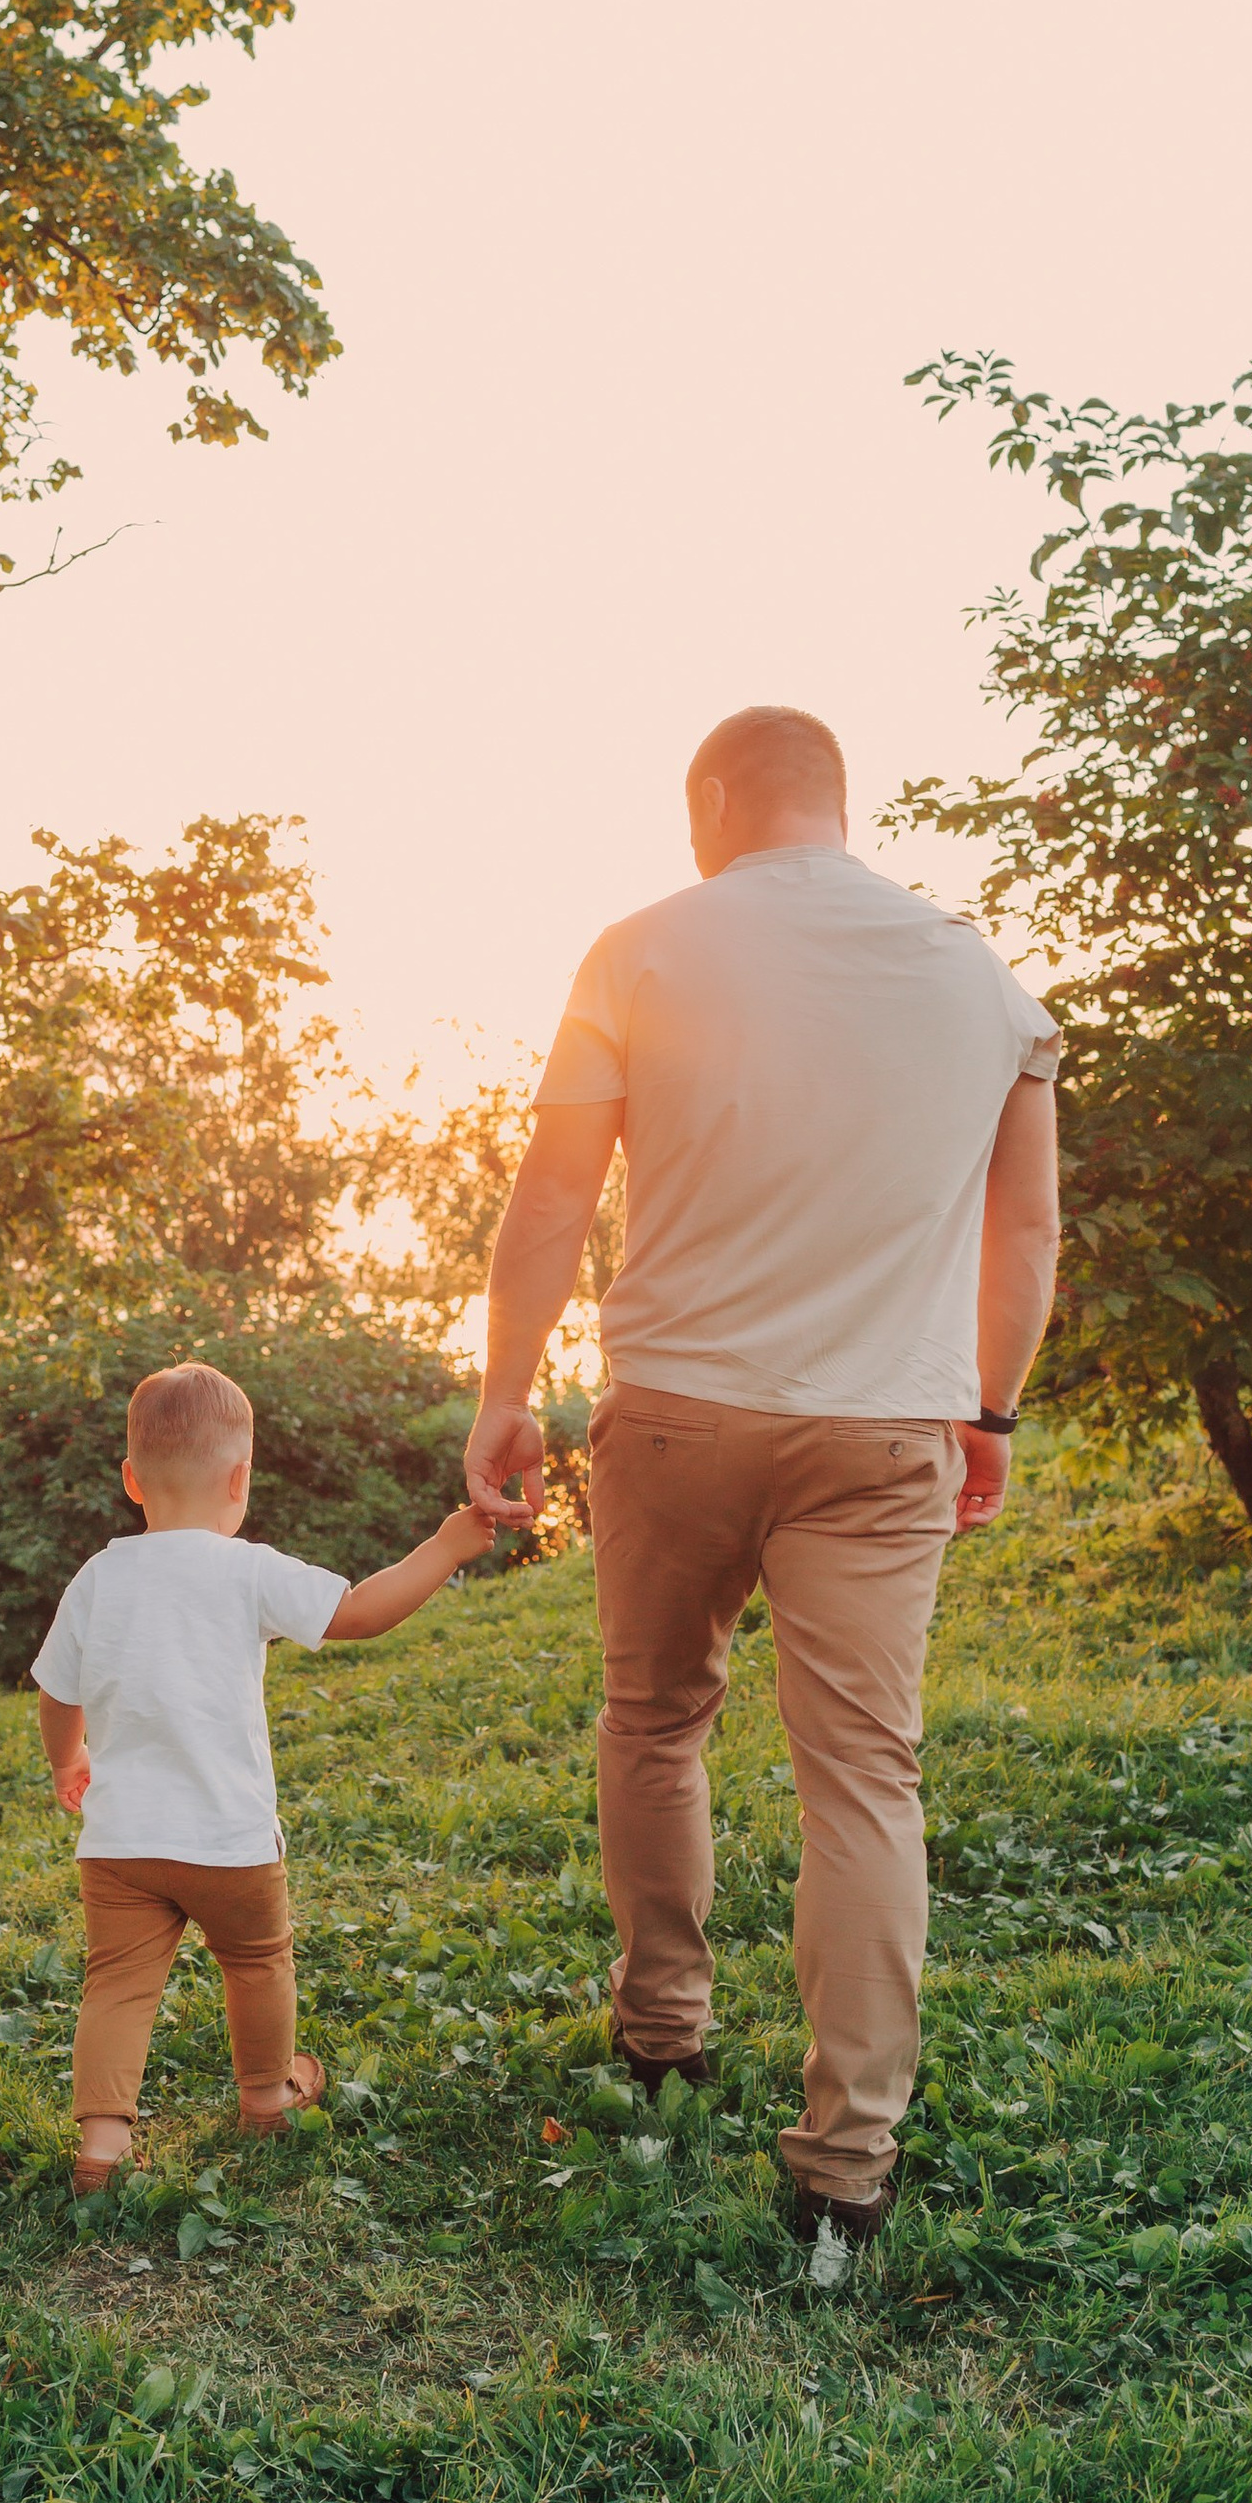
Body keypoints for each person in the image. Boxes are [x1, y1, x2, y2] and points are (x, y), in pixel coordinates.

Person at [464, 706, 1060, 2245]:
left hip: (671, 1412)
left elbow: (551, 1194)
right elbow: (1026, 1235)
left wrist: (508, 1390)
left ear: (719, 800)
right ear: (838, 805)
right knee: (865, 1775)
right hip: (883, 1433)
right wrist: (987, 1412)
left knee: (654, 1717)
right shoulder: (982, 981)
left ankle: (664, 2027)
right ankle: (848, 2167)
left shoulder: (641, 948)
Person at [34, 1359, 494, 2196]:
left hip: (122, 1843)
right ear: (241, 1477)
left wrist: (70, 1759)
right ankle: (265, 2099)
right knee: (257, 1964)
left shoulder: (97, 1578)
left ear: (132, 1480)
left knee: (119, 1988)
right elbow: (360, 1612)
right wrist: (448, 1541)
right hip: (230, 1841)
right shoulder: (248, 1570)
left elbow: (57, 1690)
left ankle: (102, 2147)